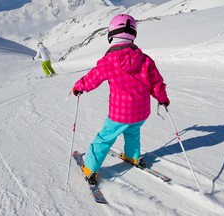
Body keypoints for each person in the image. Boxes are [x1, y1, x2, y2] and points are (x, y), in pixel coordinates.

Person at [72, 14, 170, 185]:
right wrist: (163, 99)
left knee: (105, 138)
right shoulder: (145, 60)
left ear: (111, 35)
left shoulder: (109, 61)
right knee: (133, 132)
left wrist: (79, 87)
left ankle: (90, 168)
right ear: (133, 35)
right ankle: (132, 156)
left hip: (119, 114)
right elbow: (156, 83)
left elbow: (92, 78)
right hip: (141, 112)